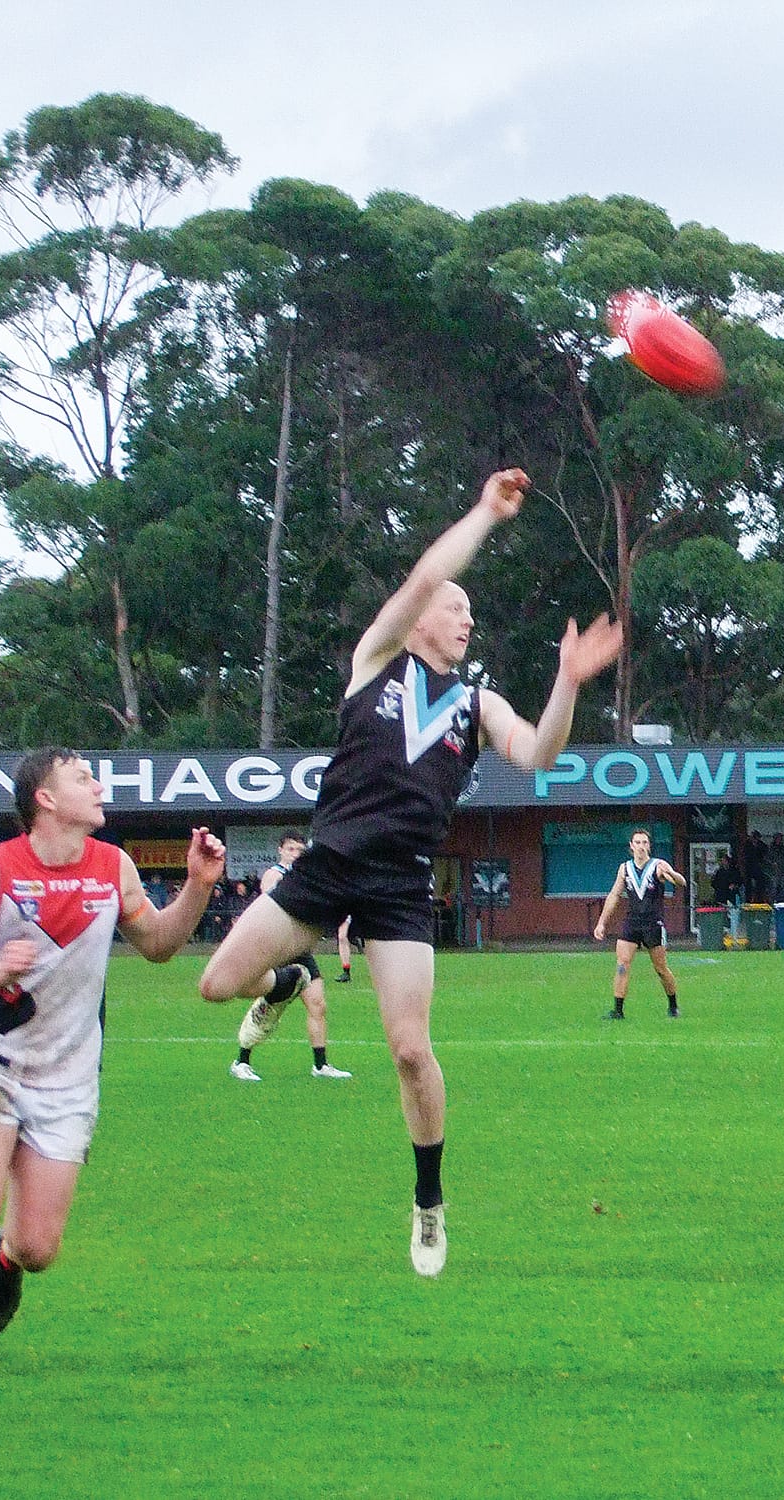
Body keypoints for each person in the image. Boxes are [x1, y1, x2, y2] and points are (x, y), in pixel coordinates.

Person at [198, 467, 622, 1276]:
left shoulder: (475, 704)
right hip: (325, 869)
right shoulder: (375, 659)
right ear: (422, 613)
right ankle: (285, 988)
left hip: (398, 886)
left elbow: (538, 754)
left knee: (408, 1051)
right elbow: (430, 573)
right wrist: (485, 513)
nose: (466, 620)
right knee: (216, 985)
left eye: (470, 612)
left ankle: (428, 1203)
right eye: (456, 608)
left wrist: (567, 682)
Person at [0, 749, 226, 1414]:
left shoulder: (113, 865)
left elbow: (158, 945)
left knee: (39, 1247)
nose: (97, 786)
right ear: (44, 799)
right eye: (81, 777)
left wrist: (199, 885)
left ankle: (11, 1266)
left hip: (69, 1083)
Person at [229, 831, 351, 1082]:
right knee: (271, 1006)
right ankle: (241, 1060)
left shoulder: (304, 877)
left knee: (318, 1004)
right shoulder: (275, 875)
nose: (296, 854)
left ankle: (320, 1065)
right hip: (281, 949)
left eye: (299, 850)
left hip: (301, 950)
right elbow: (274, 907)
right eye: (291, 849)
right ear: (281, 850)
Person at [594, 830, 689, 1020]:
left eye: (645, 842)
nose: (641, 846)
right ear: (631, 846)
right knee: (622, 964)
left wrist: (670, 873)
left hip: (653, 923)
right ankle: (618, 1010)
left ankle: (673, 1005)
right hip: (632, 922)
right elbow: (614, 895)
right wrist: (601, 922)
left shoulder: (658, 865)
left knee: (660, 969)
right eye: (637, 842)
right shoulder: (624, 869)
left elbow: (682, 883)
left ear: (649, 845)